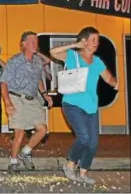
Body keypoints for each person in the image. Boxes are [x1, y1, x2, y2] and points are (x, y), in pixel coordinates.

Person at [50, 27, 118, 185]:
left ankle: (83, 172)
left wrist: (115, 83)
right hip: (72, 104)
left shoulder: (97, 61)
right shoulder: (73, 56)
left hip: (91, 106)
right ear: (84, 41)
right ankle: (69, 165)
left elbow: (109, 79)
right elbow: (53, 52)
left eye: (98, 40)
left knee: (93, 142)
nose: (97, 43)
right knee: (84, 137)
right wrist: (73, 45)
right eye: (93, 40)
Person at [0, 31, 53, 173]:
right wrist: (8, 103)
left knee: (42, 130)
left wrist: (45, 95)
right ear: (23, 44)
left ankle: (25, 152)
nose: (35, 44)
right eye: (32, 42)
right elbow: (3, 83)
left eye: (36, 41)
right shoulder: (14, 61)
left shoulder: (37, 61)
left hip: (32, 99)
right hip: (16, 97)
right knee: (20, 133)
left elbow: (38, 80)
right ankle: (13, 162)